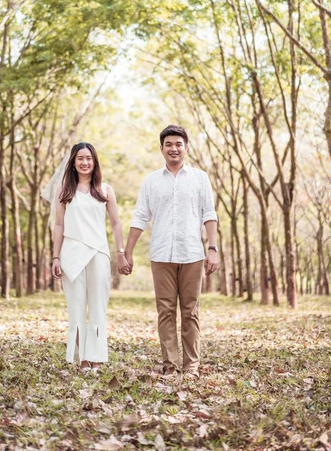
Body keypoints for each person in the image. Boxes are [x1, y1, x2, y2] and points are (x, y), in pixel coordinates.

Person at [121, 125, 219, 377]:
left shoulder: (200, 178)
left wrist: (212, 248)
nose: (173, 148)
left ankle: (192, 366)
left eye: (178, 144)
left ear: (186, 147)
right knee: (165, 312)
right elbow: (140, 217)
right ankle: (170, 365)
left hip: (192, 254)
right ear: (161, 149)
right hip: (161, 254)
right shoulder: (151, 181)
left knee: (190, 312)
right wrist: (127, 252)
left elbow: (209, 214)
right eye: (168, 144)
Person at [50, 142, 129, 370]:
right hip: (71, 254)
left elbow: (115, 223)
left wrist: (120, 252)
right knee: (76, 308)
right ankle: (83, 358)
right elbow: (58, 224)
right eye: (80, 159)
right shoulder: (64, 190)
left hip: (98, 254)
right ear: (73, 163)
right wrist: (56, 257)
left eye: (89, 158)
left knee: (97, 307)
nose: (85, 163)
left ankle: (96, 358)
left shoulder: (105, 190)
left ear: (94, 162)